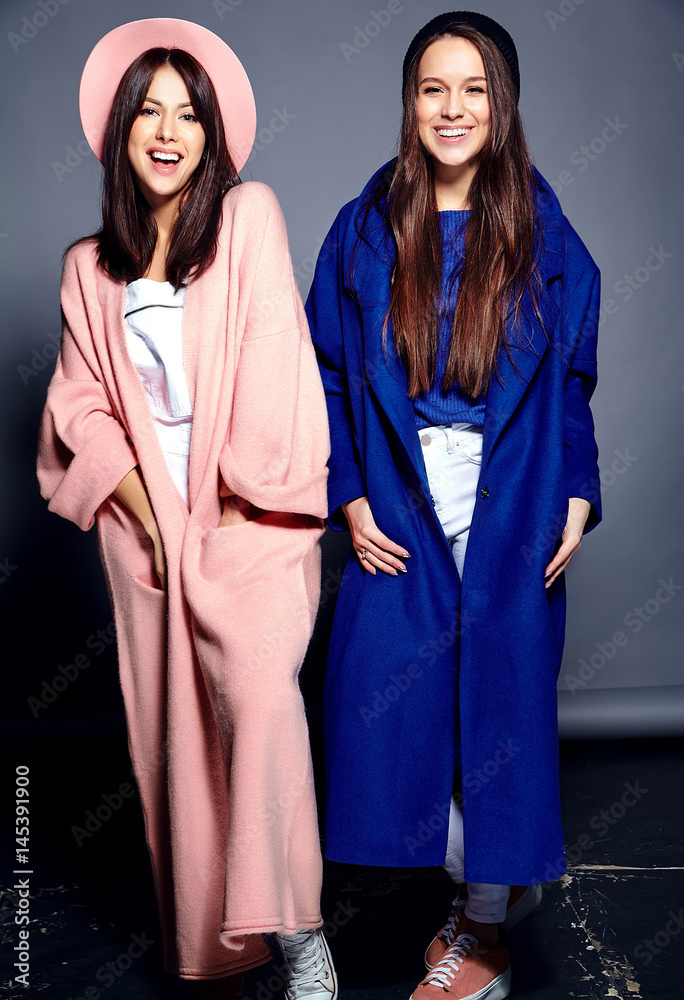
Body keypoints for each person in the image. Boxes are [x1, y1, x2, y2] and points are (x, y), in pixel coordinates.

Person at [36, 18, 337, 997]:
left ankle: (301, 937)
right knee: (183, 746)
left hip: (253, 518)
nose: (168, 131)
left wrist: (231, 519)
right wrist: (160, 525)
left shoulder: (249, 217)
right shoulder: (89, 268)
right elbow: (79, 412)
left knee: (261, 707)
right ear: (121, 129)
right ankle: (223, 945)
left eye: (188, 114)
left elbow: (275, 368)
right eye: (150, 112)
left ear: (213, 134)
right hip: (148, 535)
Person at [305, 10, 601, 1000]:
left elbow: (569, 383)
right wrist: (348, 497)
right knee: (388, 715)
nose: (452, 108)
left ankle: (483, 935)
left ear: (501, 102)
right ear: (409, 101)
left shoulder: (544, 231)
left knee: (499, 721)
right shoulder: (363, 226)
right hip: (401, 501)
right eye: (433, 88)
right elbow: (327, 380)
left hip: (514, 499)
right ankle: (488, 892)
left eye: (474, 89)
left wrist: (577, 492)